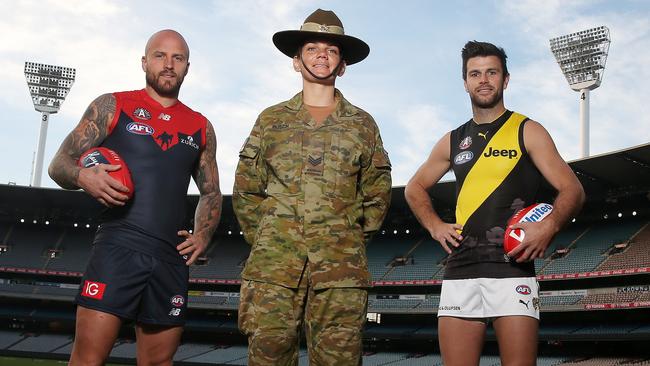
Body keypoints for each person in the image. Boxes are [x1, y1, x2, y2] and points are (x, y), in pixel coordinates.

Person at [404, 41, 585, 366]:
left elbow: (572, 188)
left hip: (512, 271)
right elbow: (414, 187)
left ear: (506, 79)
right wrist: (435, 226)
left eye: (492, 72)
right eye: (475, 73)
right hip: (460, 271)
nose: (483, 79)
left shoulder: (528, 130)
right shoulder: (453, 139)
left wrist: (550, 225)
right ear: (465, 82)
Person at [48, 29, 222, 366]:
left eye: (178, 58)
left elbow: (211, 191)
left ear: (187, 67)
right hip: (119, 246)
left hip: (170, 258)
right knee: (87, 358)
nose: (169, 64)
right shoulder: (112, 105)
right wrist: (83, 176)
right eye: (160, 55)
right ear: (145, 61)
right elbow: (59, 164)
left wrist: (203, 234)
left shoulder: (200, 126)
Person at [233, 9, 392, 366]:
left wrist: (344, 237)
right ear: (296, 61)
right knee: (268, 357)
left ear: (343, 65)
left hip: (340, 271)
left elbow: (377, 192)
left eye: (332, 50)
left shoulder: (363, 124)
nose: (323, 55)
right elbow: (246, 189)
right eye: (313, 48)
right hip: (274, 269)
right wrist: (271, 238)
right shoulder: (271, 120)